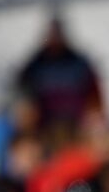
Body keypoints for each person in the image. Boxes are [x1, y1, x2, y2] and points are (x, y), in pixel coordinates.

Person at [17, 9, 104, 139]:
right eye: (51, 35)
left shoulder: (80, 64)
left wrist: (93, 117)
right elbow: (22, 94)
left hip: (76, 125)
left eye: (57, 34)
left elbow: (94, 96)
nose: (55, 39)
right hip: (45, 127)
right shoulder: (34, 66)